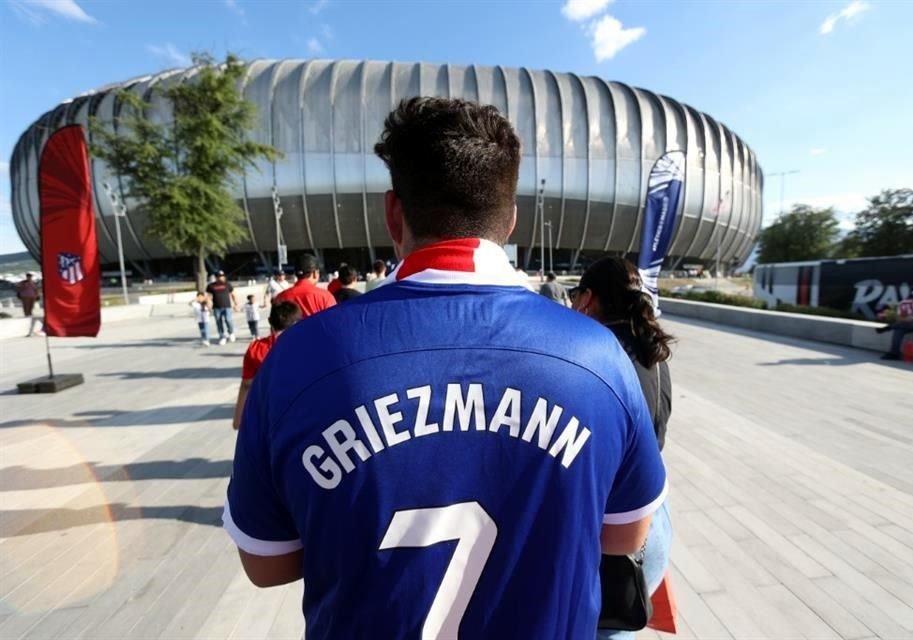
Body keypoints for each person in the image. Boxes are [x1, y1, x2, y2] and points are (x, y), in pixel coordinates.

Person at [224, 97, 666, 639]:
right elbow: (626, 535)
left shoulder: (297, 357)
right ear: (511, 219)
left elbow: (266, 564)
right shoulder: (596, 355)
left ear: (393, 212)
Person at [571, 257, 675, 639]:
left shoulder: (596, 353)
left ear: (587, 299)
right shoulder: (652, 350)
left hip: (615, 525)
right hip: (655, 514)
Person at [233, 301, 302, 430]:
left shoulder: (256, 348)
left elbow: (246, 384)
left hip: (267, 413)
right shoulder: (305, 346)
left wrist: (238, 418)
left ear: (271, 323)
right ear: (297, 323)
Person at [206, 269, 239, 345]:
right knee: (219, 322)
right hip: (216, 307)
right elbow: (208, 296)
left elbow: (233, 294)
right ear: (216, 277)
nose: (221, 278)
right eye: (219, 276)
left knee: (228, 320)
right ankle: (222, 337)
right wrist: (208, 305)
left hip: (227, 306)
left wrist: (236, 304)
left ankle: (231, 333)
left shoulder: (227, 284)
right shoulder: (211, 286)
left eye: (222, 276)